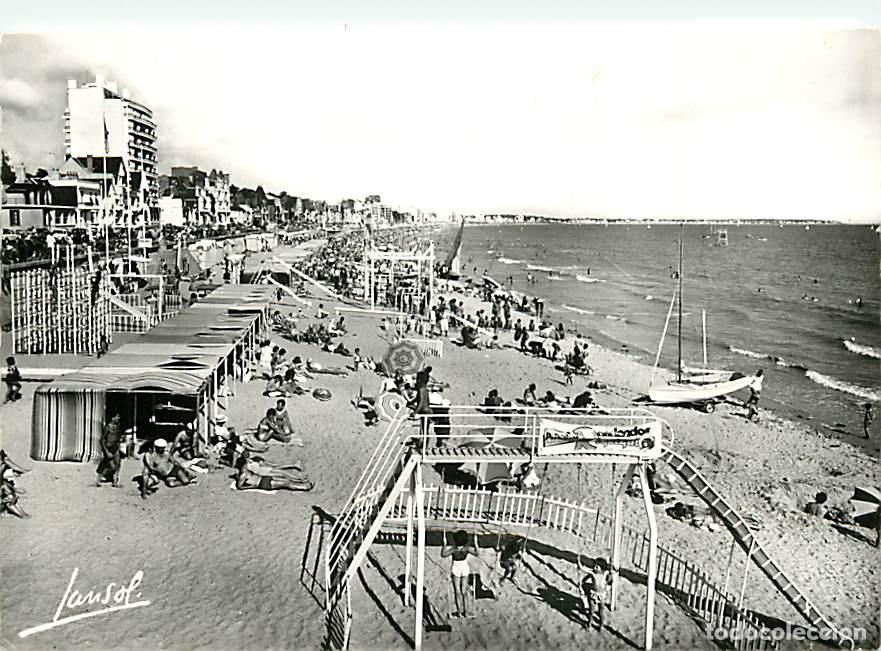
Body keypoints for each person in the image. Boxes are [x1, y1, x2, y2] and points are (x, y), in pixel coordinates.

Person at [441, 530, 478, 618]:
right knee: (464, 592)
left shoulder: (453, 549)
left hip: (456, 568)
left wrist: (444, 544)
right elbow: (477, 553)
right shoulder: (466, 548)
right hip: (464, 568)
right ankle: (466, 612)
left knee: (457, 592)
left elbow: (443, 554)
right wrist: (476, 543)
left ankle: (459, 612)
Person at [234, 456, 313, 492]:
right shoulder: (243, 475)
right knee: (285, 483)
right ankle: (304, 487)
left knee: (285, 479)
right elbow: (240, 487)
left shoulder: (246, 470)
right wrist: (253, 487)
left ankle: (301, 483)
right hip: (263, 483)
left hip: (264, 478)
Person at [581, 558, 613, 629]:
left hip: (601, 595)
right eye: (594, 566)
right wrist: (579, 562)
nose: (595, 568)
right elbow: (583, 569)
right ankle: (589, 623)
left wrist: (607, 588)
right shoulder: (592, 573)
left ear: (602, 568)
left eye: (597, 567)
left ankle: (601, 624)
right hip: (593, 593)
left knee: (601, 610)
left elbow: (611, 577)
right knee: (591, 611)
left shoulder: (605, 573)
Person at [96, 413, 124, 487]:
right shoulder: (108, 427)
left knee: (118, 464)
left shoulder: (117, 426)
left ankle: (115, 481)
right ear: (112, 418)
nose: (118, 418)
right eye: (116, 417)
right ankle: (99, 477)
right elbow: (102, 440)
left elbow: (118, 437)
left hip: (115, 447)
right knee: (112, 466)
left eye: (118, 417)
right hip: (108, 448)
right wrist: (106, 452)